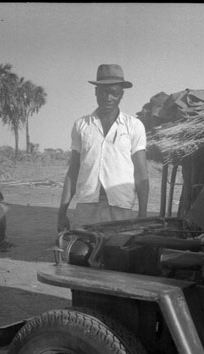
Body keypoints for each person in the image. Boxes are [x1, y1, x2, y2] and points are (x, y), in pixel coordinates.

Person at [57, 64, 149, 232]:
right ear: (96, 92)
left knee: (118, 253)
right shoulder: (81, 125)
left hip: (121, 206)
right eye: (103, 92)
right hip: (86, 205)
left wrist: (142, 213)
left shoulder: (134, 126)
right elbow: (73, 171)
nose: (108, 98)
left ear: (121, 94)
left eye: (114, 93)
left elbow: (141, 175)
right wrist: (62, 213)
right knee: (82, 252)